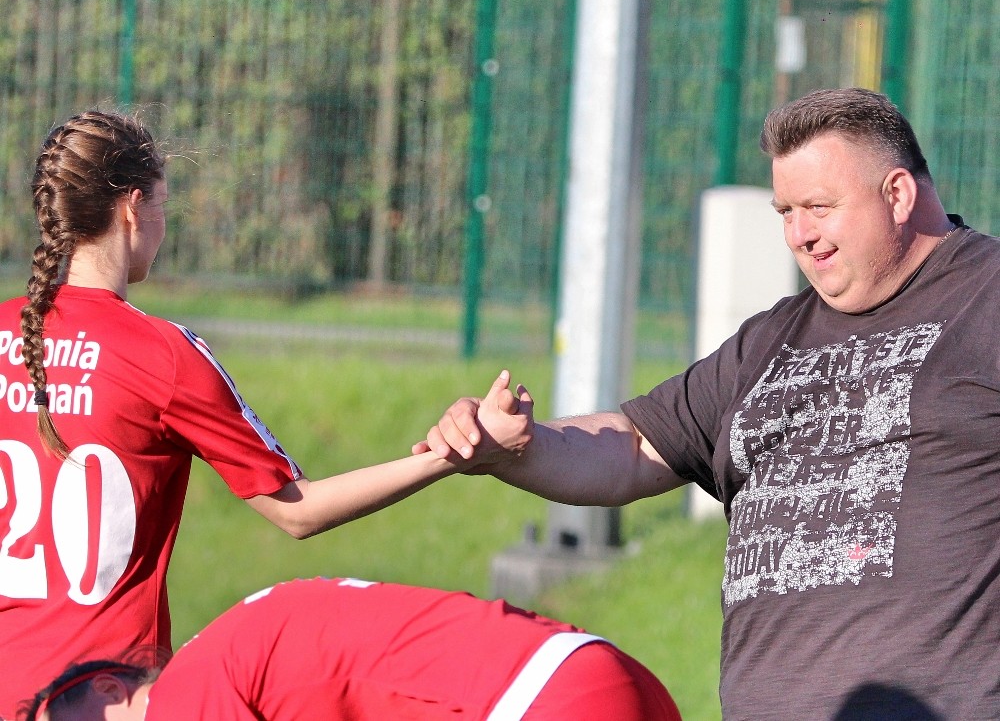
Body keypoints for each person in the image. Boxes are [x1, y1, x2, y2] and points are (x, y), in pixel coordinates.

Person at [416, 87, 1000, 719]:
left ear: (897, 195)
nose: (799, 235)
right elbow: (636, 446)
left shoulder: (986, 297)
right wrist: (520, 448)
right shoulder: (770, 340)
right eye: (785, 212)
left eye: (818, 207)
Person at [0, 110, 532, 718]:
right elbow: (298, 510)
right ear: (133, 207)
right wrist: (453, 453)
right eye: (164, 204)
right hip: (98, 700)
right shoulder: (162, 355)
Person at [19, 576, 681, 721]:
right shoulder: (222, 651)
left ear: (110, 686)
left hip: (535, 702)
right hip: (595, 673)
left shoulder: (181, 698)